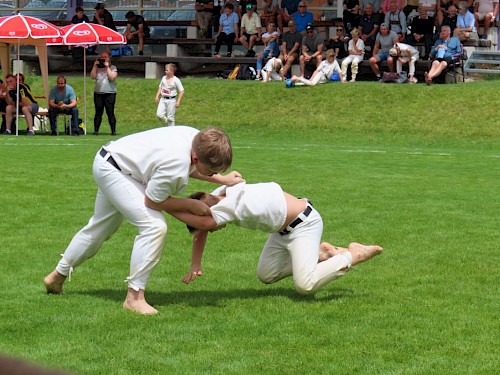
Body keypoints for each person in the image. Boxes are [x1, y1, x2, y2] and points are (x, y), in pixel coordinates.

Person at [43, 126, 243, 315]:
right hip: (116, 171)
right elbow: (153, 201)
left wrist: (223, 180)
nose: (213, 175)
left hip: (112, 161)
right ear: (196, 157)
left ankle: (56, 277)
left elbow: (193, 167)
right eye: (211, 172)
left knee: (101, 227)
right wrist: (189, 205)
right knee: (154, 227)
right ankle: (134, 298)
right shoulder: (176, 163)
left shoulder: (196, 137)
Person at [164, 182, 383, 295]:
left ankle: (352, 254)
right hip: (282, 230)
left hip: (304, 224)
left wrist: (160, 203)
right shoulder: (219, 193)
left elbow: (203, 224)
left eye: (211, 228)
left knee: (304, 285)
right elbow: (201, 226)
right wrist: (195, 264)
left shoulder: (227, 207)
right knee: (266, 274)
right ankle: (322, 253)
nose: (211, 231)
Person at [91, 51, 118, 135]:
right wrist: (95, 66)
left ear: (109, 58)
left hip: (109, 93)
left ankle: (113, 131)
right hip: (98, 93)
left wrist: (107, 67)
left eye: (105, 57)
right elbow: (92, 76)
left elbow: (112, 77)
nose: (103, 58)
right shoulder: (97, 68)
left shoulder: (113, 67)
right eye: (102, 57)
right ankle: (96, 130)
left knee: (110, 112)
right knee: (98, 112)